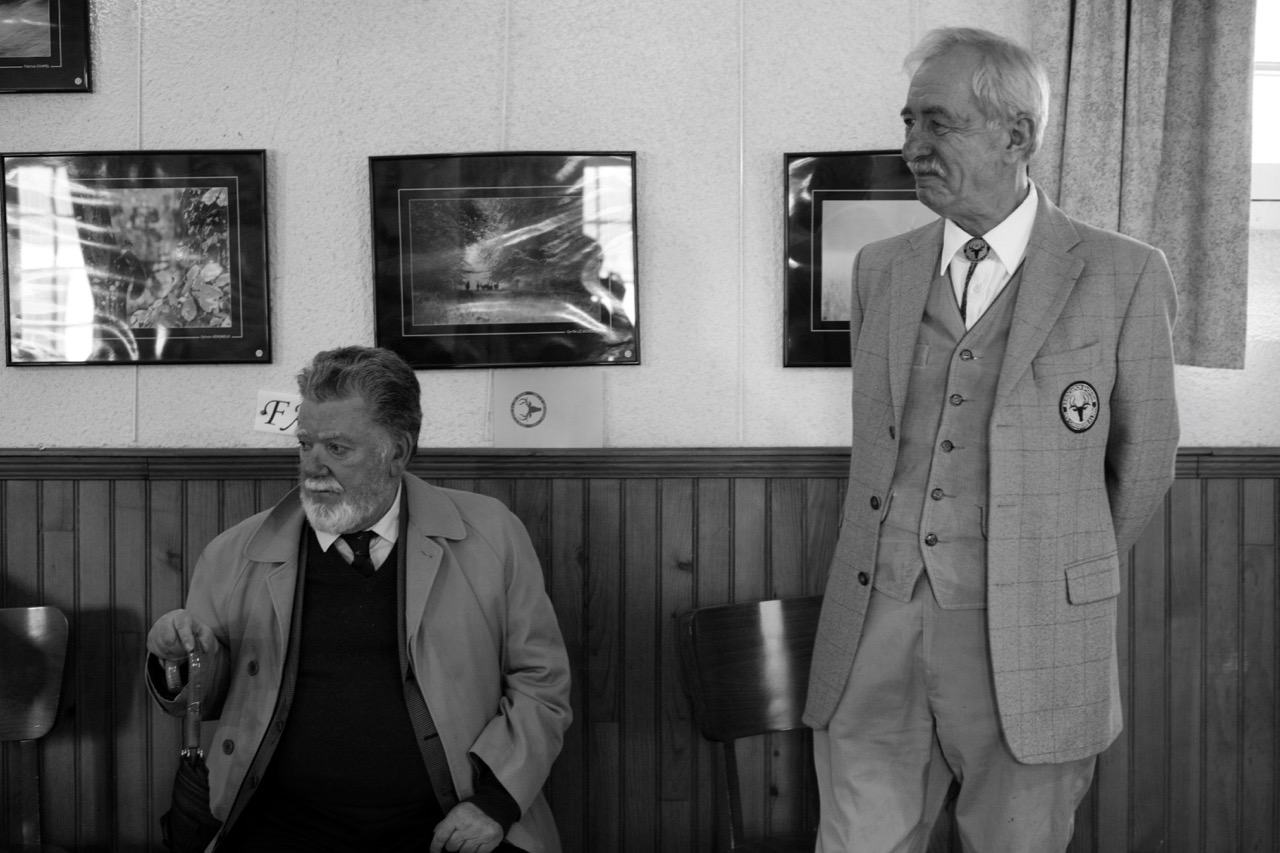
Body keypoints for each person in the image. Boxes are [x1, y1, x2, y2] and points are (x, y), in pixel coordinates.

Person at [804, 27, 1179, 852]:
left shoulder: (1124, 273)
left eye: (937, 123)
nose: (912, 147)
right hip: (877, 616)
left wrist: (1050, 567)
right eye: (909, 122)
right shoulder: (880, 269)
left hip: (1031, 634)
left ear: (1017, 135)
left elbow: (1144, 464)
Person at [146, 346, 572, 853]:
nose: (313, 466)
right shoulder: (236, 552)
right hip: (278, 821)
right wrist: (176, 661)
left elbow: (541, 681)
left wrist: (494, 804)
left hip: (449, 815)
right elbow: (204, 698)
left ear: (398, 452)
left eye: (337, 448)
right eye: (305, 444)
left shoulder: (491, 535)